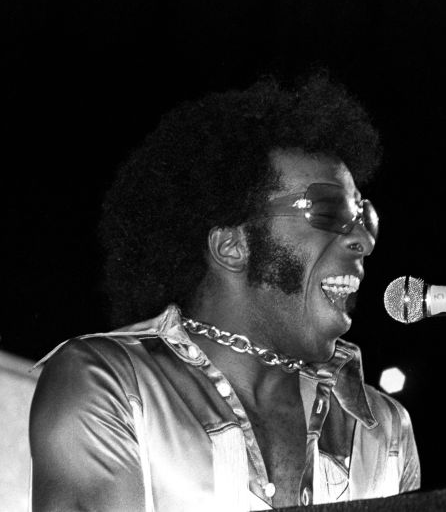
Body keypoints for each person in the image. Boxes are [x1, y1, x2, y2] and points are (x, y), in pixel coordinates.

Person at [29, 73, 420, 511]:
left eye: (365, 216)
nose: (362, 239)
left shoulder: (384, 430)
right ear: (232, 246)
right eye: (330, 210)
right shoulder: (111, 383)